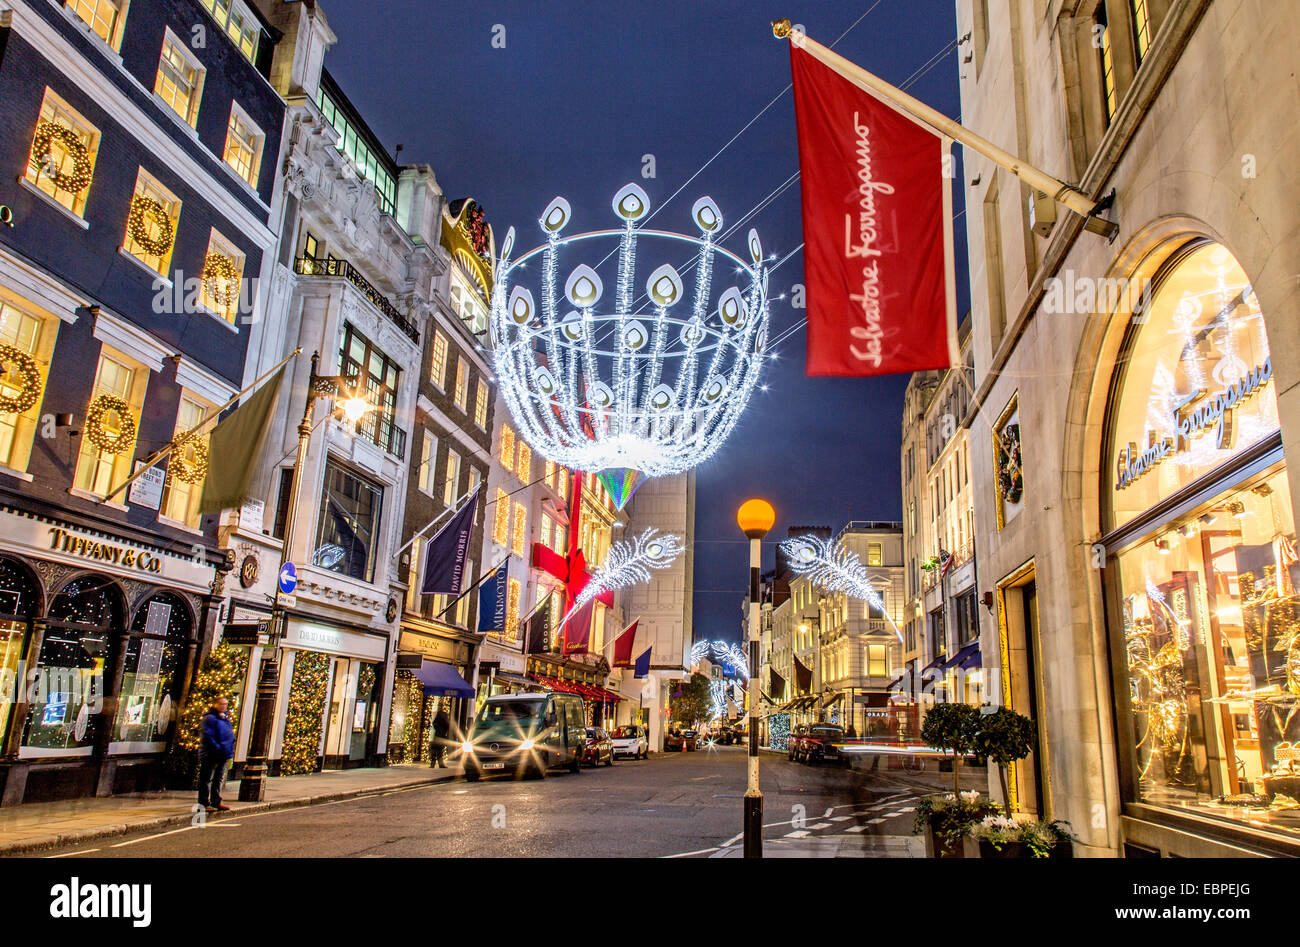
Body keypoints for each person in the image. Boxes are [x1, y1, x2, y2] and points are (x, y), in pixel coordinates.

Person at [198, 696, 235, 813]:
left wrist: (228, 749)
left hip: (223, 754)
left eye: (226, 704)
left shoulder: (225, 718)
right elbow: (208, 736)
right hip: (210, 754)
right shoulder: (209, 718)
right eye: (222, 704)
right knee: (206, 778)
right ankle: (203, 803)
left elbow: (229, 735)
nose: (224, 706)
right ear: (215, 704)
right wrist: (218, 748)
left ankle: (216, 801)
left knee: (218, 779)